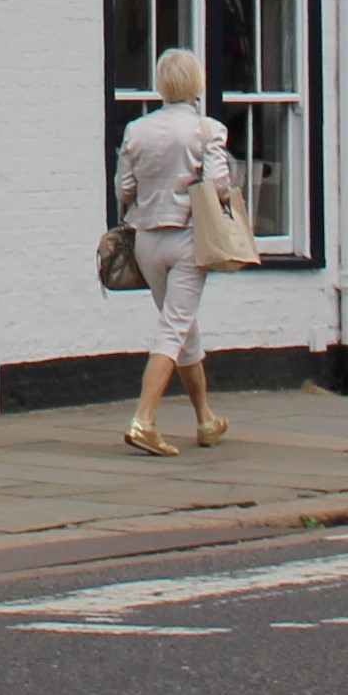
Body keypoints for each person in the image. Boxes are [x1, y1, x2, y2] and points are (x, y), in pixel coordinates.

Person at [118, 48, 233, 455]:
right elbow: (219, 185)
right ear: (197, 84)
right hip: (187, 238)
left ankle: (205, 419)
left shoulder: (136, 129)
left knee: (181, 327)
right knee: (174, 328)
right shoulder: (207, 130)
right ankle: (143, 420)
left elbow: (124, 189)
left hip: (147, 239)